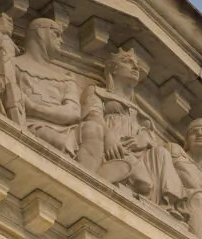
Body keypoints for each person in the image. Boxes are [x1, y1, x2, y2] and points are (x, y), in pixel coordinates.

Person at [78, 48, 182, 205]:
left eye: (136, 64)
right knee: (142, 181)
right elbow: (93, 114)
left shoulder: (136, 109)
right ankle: (106, 171)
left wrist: (144, 139)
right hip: (112, 147)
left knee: (160, 156)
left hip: (136, 152)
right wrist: (109, 136)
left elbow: (148, 132)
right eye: (127, 62)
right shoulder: (97, 92)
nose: (135, 67)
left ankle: (170, 205)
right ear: (113, 68)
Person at [8, 18, 90, 157]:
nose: (62, 41)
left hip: (68, 130)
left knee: (92, 130)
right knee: (55, 139)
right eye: (56, 34)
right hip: (34, 126)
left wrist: (35, 108)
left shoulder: (66, 77)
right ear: (41, 33)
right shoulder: (13, 65)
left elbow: (74, 113)